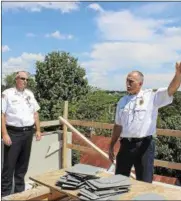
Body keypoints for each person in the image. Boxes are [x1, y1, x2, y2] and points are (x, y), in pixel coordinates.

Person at [109, 62, 181, 183]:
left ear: (140, 83)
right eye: (127, 80)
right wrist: (111, 145)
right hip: (126, 145)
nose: (127, 84)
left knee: (144, 182)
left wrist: (178, 74)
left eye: (131, 81)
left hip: (145, 146)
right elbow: (118, 125)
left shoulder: (151, 97)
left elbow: (171, 90)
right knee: (118, 180)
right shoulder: (122, 101)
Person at [1, 71, 42, 197]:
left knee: (22, 167)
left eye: (27, 79)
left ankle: (19, 195)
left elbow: (35, 113)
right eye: (23, 78)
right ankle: (5, 196)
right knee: (9, 167)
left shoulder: (29, 94)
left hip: (28, 133)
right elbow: (2, 115)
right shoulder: (7, 94)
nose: (25, 81)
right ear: (16, 79)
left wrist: (38, 130)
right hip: (13, 133)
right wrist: (4, 134)